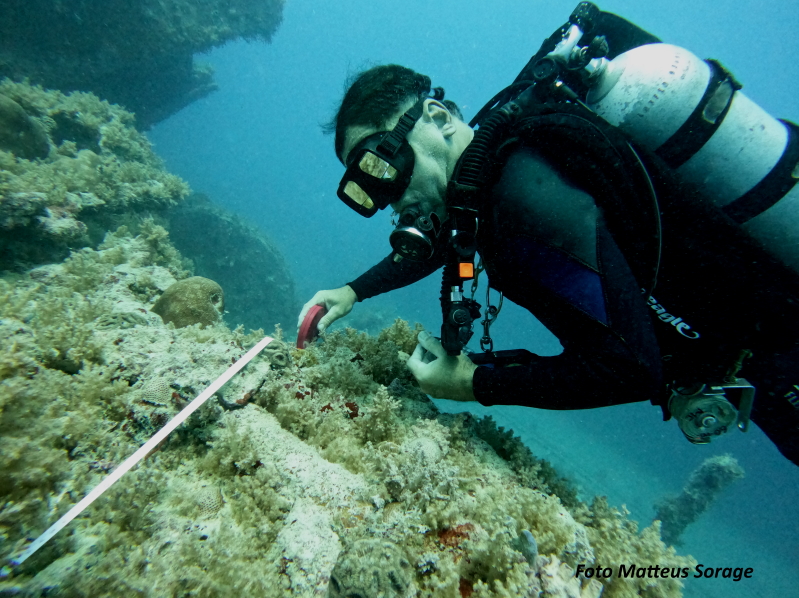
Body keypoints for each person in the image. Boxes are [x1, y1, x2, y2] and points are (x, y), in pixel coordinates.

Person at [298, 10, 799, 466]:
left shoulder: (523, 201)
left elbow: (629, 366)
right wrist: (352, 291)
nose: (384, 191)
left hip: (782, 351)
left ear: (437, 117)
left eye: (381, 159)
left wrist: (473, 383)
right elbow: (444, 240)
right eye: (366, 184)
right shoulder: (492, 171)